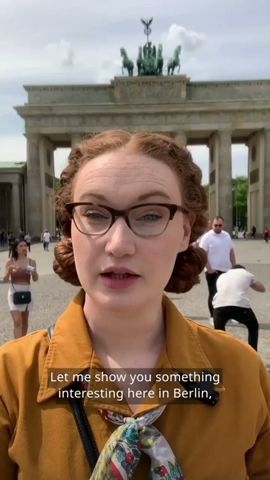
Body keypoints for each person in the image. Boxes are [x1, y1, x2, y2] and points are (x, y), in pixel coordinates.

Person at [0, 131, 269, 479]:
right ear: (69, 229)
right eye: (95, 214)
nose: (119, 244)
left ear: (185, 231)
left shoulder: (242, 372)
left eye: (151, 215)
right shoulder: (10, 380)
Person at [213, 265, 265, 351]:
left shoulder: (222, 276)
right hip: (239, 306)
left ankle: (221, 354)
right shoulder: (246, 274)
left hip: (219, 307)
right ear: (243, 269)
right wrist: (250, 283)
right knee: (253, 327)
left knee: (219, 334)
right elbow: (262, 289)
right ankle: (252, 352)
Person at [199, 216, 236, 323]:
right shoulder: (207, 237)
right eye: (216, 225)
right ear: (212, 225)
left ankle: (227, 316)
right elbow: (203, 254)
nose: (218, 227)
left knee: (227, 294)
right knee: (213, 294)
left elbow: (231, 252)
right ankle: (213, 316)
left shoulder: (227, 236)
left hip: (226, 270)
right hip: (213, 271)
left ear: (222, 225)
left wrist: (234, 266)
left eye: (220, 225)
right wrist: (209, 268)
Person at [2, 238, 38, 338]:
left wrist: (34, 272)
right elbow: (5, 280)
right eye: (21, 246)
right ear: (16, 249)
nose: (24, 248)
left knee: (25, 321)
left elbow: (35, 279)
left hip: (27, 291)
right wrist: (9, 271)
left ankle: (22, 342)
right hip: (13, 292)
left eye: (25, 246)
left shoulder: (31, 262)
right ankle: (17, 345)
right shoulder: (10, 262)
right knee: (17, 321)